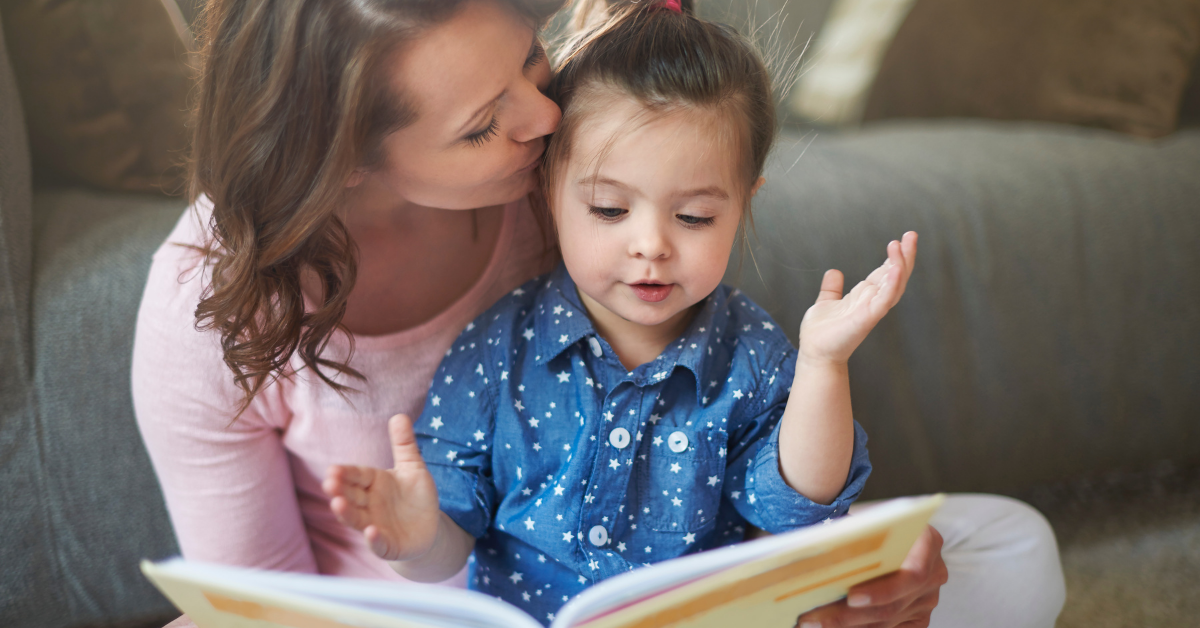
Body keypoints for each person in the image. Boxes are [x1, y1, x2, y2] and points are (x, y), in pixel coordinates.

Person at [132, 1, 1064, 627]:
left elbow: (772, 482)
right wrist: (414, 537)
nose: (546, 120)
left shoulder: (578, 177)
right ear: (343, 159)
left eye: (531, 61)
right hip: (441, 608)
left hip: (686, 591)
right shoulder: (209, 310)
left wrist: (859, 568)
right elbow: (258, 604)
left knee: (1002, 544)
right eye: (481, 125)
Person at [322, 1, 904, 622]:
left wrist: (822, 364)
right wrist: (414, 540)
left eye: (695, 217)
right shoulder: (498, 346)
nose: (651, 245)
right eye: (608, 209)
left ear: (742, 203)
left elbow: (797, 511)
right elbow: (447, 542)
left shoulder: (752, 356)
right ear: (547, 193)